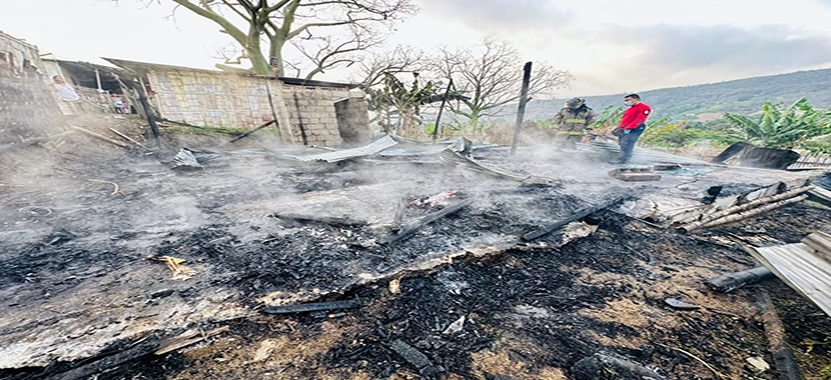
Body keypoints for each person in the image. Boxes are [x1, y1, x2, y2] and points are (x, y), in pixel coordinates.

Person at [613, 94, 651, 163]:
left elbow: (640, 119)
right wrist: (618, 128)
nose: (626, 102)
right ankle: (622, 158)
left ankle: (624, 160)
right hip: (625, 128)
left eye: (628, 100)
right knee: (621, 143)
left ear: (636, 99)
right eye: (625, 100)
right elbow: (624, 120)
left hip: (636, 128)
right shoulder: (629, 109)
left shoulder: (644, 108)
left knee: (626, 143)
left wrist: (629, 128)